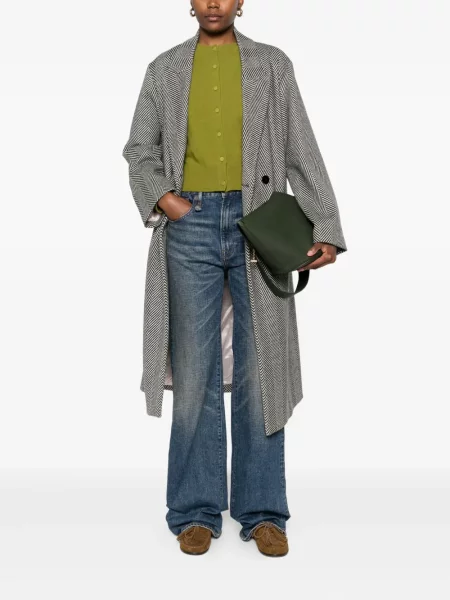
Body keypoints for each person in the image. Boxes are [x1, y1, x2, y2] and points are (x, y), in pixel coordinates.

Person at [122, 0, 347, 557]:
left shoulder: (272, 64)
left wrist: (326, 226)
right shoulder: (164, 68)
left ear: (241, 2)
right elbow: (139, 149)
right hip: (190, 225)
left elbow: (301, 149)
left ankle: (263, 511)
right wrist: (165, 199)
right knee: (194, 370)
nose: (214, 2)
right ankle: (195, 511)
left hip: (259, 222)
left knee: (261, 368)